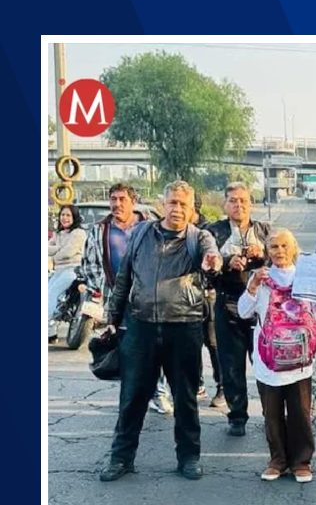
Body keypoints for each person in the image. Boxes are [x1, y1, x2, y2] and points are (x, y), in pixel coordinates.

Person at [99, 181, 222, 482]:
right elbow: (124, 276)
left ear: (192, 209)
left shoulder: (199, 237)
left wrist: (213, 263)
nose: (177, 209)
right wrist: (113, 315)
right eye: (172, 203)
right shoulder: (142, 233)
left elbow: (213, 260)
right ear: (162, 204)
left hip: (184, 327)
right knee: (132, 397)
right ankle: (121, 458)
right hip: (140, 326)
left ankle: (189, 457)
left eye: (183, 204)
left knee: (185, 399)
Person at [238, 229, 316, 483]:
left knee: (300, 413)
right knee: (271, 413)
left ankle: (301, 462)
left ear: (294, 249)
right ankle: (278, 460)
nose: (280, 251)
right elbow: (243, 312)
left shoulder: (306, 276)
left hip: (299, 362)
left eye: (285, 246)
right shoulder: (260, 278)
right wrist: (252, 286)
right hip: (268, 361)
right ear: (267, 251)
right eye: (274, 247)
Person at [81, 183, 172, 414]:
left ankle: (158, 394)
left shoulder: (150, 226)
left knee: (155, 345)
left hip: (148, 295)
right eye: (113, 199)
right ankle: (131, 396)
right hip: (116, 296)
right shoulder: (99, 230)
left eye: (122, 199)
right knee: (126, 348)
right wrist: (99, 290)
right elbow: (89, 262)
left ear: (133, 201)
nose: (117, 204)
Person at [206, 182, 272, 437]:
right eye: (233, 200)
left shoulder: (264, 230)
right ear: (225, 204)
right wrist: (225, 262)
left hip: (261, 304)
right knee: (231, 364)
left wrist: (262, 254)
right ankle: (237, 416)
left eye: (243, 200)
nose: (238, 205)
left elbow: (284, 257)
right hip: (228, 301)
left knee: (265, 362)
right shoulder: (214, 231)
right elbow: (204, 261)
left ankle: (271, 413)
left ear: (250, 204)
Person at [191, 194, 224, 408]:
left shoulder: (207, 232)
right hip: (186, 296)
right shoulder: (174, 231)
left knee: (213, 343)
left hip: (209, 293)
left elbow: (217, 259)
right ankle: (197, 385)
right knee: (190, 344)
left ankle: (222, 387)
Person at [47, 205, 87, 342]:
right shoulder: (59, 233)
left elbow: (69, 252)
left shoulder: (78, 233)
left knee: (50, 294)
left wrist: (54, 255)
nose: (64, 218)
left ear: (74, 217)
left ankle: (48, 330)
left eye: (68, 215)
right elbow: (46, 248)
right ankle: (50, 331)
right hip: (58, 270)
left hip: (72, 270)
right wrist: (59, 248)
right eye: (62, 215)